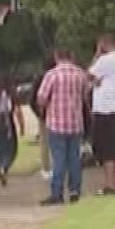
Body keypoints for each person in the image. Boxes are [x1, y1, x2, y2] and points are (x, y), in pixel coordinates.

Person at [33, 48, 91, 206]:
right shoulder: (81, 74)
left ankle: (57, 193)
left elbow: (41, 98)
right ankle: (74, 190)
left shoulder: (51, 75)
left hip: (56, 123)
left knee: (59, 159)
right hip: (76, 123)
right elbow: (86, 95)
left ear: (56, 57)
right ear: (71, 56)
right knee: (74, 158)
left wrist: (45, 108)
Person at [87, 32, 115, 195]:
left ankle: (110, 184)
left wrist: (97, 55)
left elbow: (89, 74)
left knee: (106, 150)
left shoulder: (105, 60)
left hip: (105, 109)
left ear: (104, 44)